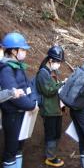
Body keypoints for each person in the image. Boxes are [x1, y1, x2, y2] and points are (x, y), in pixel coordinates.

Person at [0, 32, 37, 168]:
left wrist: (32, 101)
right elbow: (14, 96)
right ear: (14, 51)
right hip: (13, 115)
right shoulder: (6, 69)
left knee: (19, 146)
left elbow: (27, 87)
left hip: (22, 113)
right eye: (22, 50)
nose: (24, 52)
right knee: (11, 147)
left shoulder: (18, 66)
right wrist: (31, 106)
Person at [35, 45, 65, 167]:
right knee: (51, 134)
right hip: (48, 110)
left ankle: (52, 154)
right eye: (57, 62)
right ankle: (50, 158)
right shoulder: (42, 73)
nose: (58, 64)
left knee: (56, 133)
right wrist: (62, 84)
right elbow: (48, 90)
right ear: (50, 60)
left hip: (56, 109)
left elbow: (53, 88)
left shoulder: (51, 72)